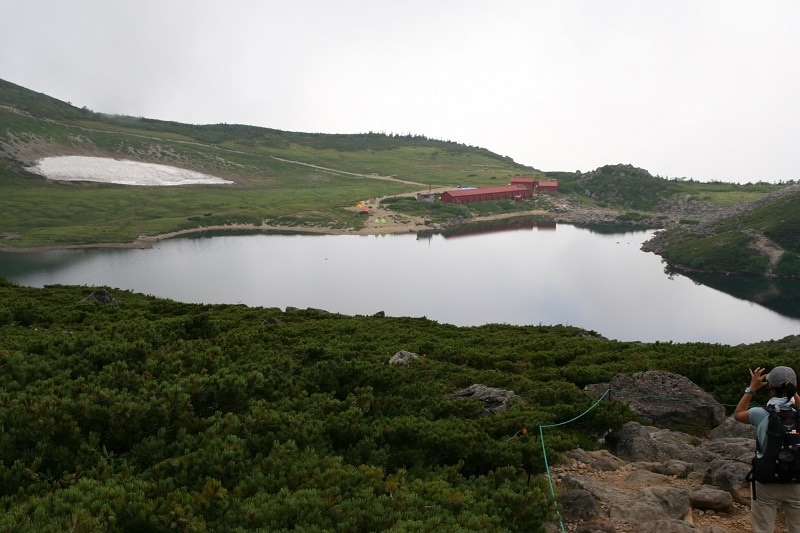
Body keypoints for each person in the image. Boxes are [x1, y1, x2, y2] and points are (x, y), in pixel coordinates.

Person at [734, 366, 800, 533]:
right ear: (794, 385)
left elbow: (738, 413)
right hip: (797, 481)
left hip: (767, 480)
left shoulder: (760, 413)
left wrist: (751, 388)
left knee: (763, 529)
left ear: (770, 387)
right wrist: (793, 391)